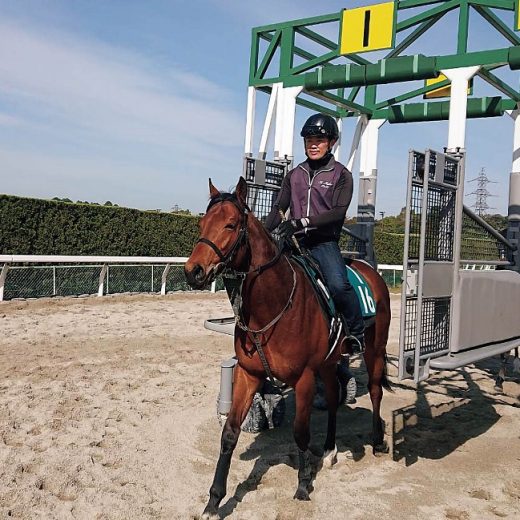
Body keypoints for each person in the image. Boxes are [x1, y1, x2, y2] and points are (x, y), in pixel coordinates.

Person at [265, 113, 365, 354]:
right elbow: (279, 208)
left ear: (331, 142)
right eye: (309, 139)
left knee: (339, 286)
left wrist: (301, 222)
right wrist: (263, 232)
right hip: (293, 242)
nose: (313, 144)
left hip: (323, 243)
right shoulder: (294, 174)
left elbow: (338, 213)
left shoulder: (342, 175)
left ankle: (356, 334)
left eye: (319, 139)